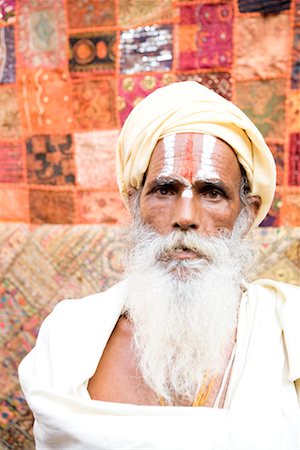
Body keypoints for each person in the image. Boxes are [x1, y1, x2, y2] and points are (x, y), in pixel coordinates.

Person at [19, 82, 300, 450]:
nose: (185, 217)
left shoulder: (286, 329)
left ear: (245, 215)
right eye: (165, 189)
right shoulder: (69, 338)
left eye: (212, 193)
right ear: (135, 205)